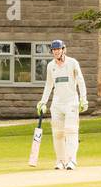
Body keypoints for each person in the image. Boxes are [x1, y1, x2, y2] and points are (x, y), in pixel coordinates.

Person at [36, 39, 88, 170]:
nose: (56, 52)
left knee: (71, 131)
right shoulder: (50, 66)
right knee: (58, 133)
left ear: (63, 49)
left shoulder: (72, 63)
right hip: (57, 104)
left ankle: (72, 160)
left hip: (71, 102)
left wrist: (84, 99)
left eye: (58, 49)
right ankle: (60, 160)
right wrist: (43, 102)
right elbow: (49, 85)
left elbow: (81, 81)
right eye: (54, 50)